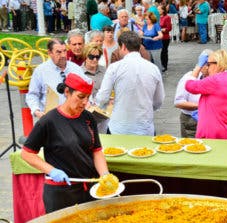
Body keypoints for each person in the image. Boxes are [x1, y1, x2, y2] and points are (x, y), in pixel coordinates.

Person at [21, 73, 110, 213]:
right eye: (81, 97)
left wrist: (104, 174)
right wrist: (51, 170)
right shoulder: (48, 121)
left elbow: (96, 150)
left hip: (88, 189)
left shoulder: (88, 118)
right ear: (67, 92)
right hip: (60, 192)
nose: (85, 102)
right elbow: (27, 153)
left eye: (88, 97)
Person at [95, 31, 165, 135]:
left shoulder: (115, 68)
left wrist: (102, 106)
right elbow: (158, 100)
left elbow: (102, 97)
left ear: (123, 46)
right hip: (145, 127)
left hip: (119, 128)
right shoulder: (153, 68)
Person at [185, 49, 227, 139]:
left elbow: (189, 85)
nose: (207, 68)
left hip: (212, 134)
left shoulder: (216, 80)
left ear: (218, 64)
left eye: (208, 64)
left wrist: (198, 67)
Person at [26, 38, 85, 119]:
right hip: (51, 119)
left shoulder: (76, 69)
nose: (63, 55)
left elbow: (85, 91)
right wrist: (36, 111)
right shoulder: (41, 71)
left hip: (74, 117)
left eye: (65, 51)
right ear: (50, 53)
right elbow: (32, 95)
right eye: (59, 52)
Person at [174, 49, 212, 138]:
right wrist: (201, 105)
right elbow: (178, 102)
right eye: (208, 65)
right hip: (192, 120)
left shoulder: (215, 78)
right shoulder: (188, 77)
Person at [158, 5, 172, 72]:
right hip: (158, 37)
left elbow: (169, 28)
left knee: (164, 52)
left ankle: (164, 65)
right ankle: (160, 65)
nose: (158, 10)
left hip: (165, 37)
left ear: (163, 10)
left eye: (159, 9)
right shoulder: (157, 17)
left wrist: (162, 30)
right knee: (159, 52)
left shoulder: (167, 17)